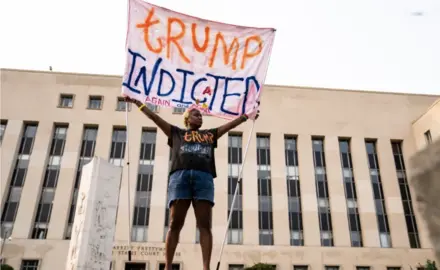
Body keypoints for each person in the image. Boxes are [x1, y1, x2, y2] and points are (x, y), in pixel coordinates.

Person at [124, 96, 258, 270]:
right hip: (180, 178)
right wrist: (137, 103)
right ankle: (168, 266)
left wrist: (247, 115)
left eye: (201, 116)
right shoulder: (176, 133)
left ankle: (205, 267)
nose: (200, 117)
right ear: (187, 118)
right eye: (196, 114)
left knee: (204, 224)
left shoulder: (209, 135)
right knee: (174, 224)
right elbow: (155, 118)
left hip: (204, 178)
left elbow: (229, 125)